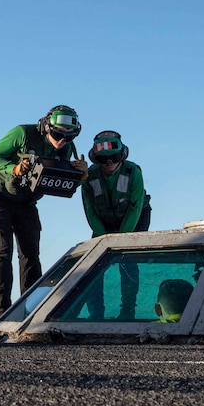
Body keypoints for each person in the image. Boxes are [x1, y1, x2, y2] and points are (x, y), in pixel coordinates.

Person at [0, 105, 88, 319]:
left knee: (31, 255)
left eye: (69, 137)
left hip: (27, 201)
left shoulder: (65, 148)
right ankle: (2, 314)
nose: (62, 141)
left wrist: (78, 177)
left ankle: (30, 313)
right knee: (3, 251)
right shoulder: (22, 133)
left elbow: (55, 183)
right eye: (58, 134)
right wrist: (13, 168)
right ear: (46, 127)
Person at [82, 130, 152, 319]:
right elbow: (90, 210)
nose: (109, 162)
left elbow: (135, 207)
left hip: (134, 218)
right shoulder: (88, 176)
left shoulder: (133, 172)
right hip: (102, 221)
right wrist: (104, 237)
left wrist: (121, 239)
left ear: (122, 155)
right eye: (103, 159)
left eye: (114, 157)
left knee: (128, 261)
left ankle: (127, 311)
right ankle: (96, 313)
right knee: (93, 264)